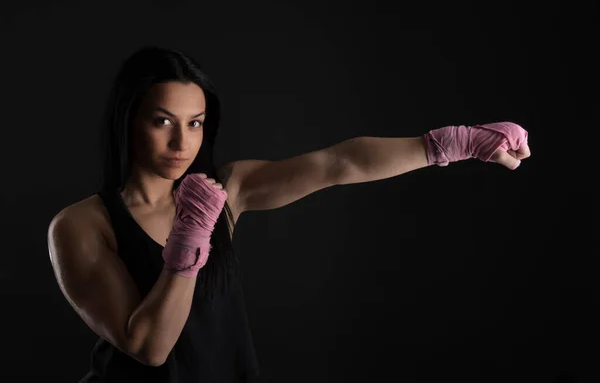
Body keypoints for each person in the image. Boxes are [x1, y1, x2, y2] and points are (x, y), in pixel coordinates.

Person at [47, 46, 531, 383]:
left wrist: (459, 143)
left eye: (195, 123)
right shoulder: (82, 225)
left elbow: (339, 164)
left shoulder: (226, 189)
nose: (182, 142)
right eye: (162, 122)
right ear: (128, 120)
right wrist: (192, 233)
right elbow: (150, 348)